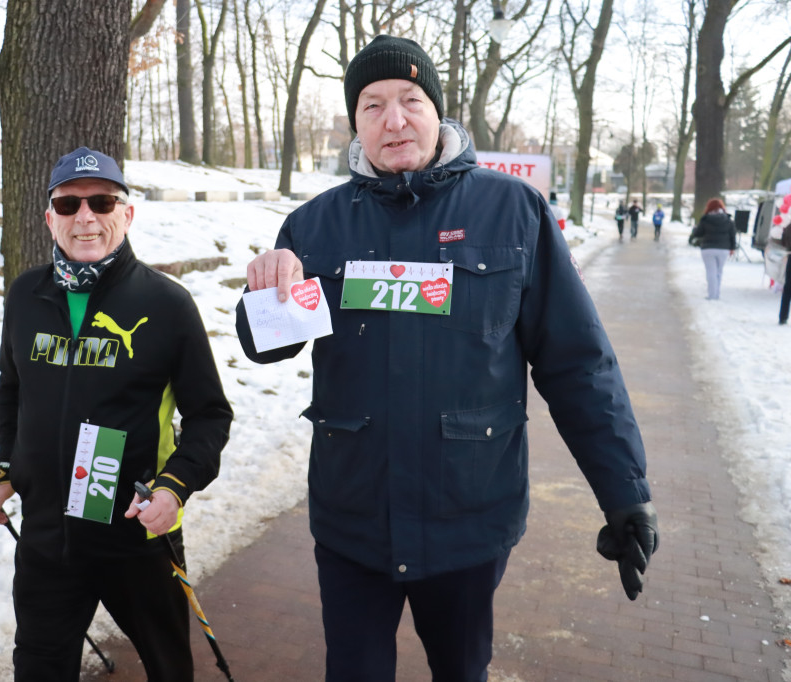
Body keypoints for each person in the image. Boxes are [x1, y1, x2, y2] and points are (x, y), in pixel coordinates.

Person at [234, 35, 658, 682]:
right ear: (356, 123)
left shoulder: (511, 211)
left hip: (468, 516)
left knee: (462, 671)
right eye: (372, 106)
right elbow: (269, 346)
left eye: (409, 100)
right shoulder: (316, 226)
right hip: (354, 521)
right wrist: (267, 292)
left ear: (438, 111)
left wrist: (624, 490)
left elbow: (577, 362)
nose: (393, 119)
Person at [0, 146, 233, 681]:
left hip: (135, 536)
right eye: (68, 205)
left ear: (126, 213)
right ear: (50, 218)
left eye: (101, 201)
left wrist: (174, 488)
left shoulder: (165, 303)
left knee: (168, 668)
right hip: (49, 538)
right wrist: (7, 472)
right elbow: (12, 393)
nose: (85, 216)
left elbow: (209, 414)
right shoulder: (26, 295)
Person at [688, 197, 736, 300]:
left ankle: (712, 295)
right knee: (719, 272)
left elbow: (698, 233)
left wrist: (695, 228)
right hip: (723, 248)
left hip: (708, 248)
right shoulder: (728, 220)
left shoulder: (705, 219)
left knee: (711, 272)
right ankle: (717, 294)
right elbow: (732, 235)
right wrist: (732, 248)